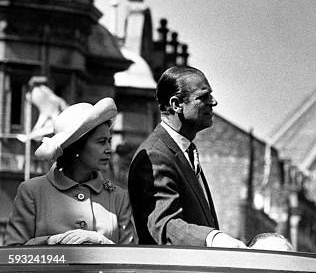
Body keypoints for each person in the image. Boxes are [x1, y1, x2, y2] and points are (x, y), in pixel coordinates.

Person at [128, 66, 245, 248]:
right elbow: (164, 225)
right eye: (203, 97)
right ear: (176, 104)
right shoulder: (155, 155)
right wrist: (213, 238)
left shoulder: (184, 150)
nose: (213, 102)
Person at [5, 98, 136, 245]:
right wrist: (53, 242)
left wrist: (100, 242)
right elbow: (13, 254)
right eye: (101, 142)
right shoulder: (32, 191)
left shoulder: (118, 197)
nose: (108, 149)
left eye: (109, 141)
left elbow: (129, 259)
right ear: (77, 147)